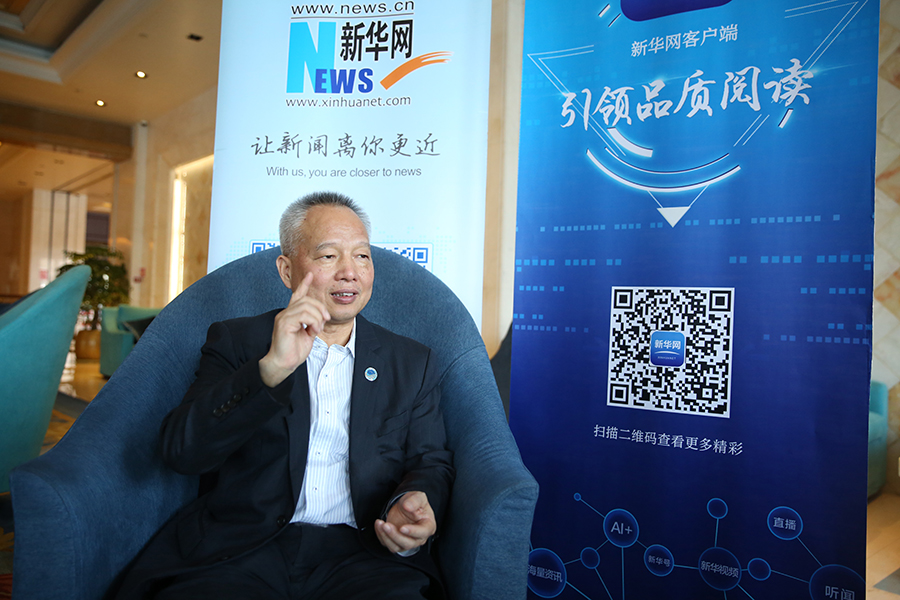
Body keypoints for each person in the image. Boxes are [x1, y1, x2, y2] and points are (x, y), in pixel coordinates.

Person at [115, 192, 454, 599]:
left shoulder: (411, 362)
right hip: (243, 548)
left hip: (364, 554)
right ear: (287, 269)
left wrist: (413, 500)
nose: (349, 272)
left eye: (362, 256)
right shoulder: (238, 341)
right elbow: (183, 453)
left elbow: (430, 461)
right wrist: (270, 370)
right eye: (328, 256)